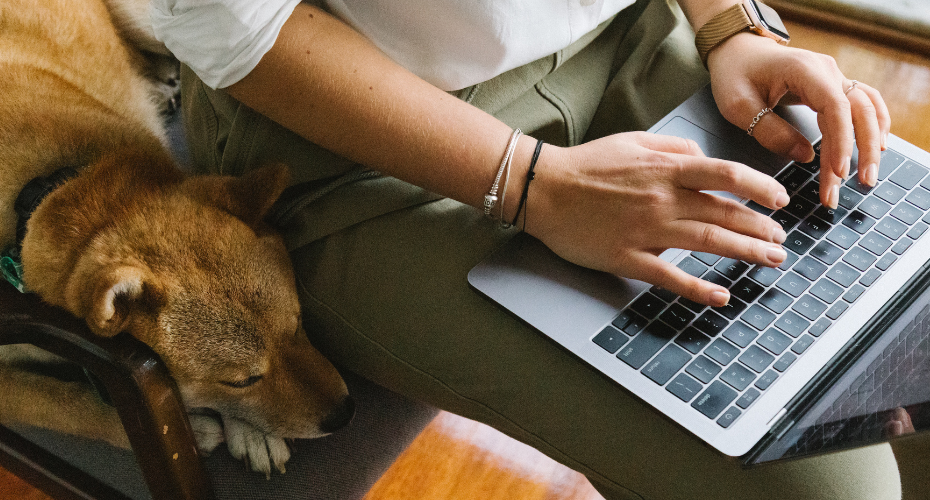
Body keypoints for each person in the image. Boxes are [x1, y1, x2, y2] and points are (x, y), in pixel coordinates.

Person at [151, 0, 904, 498]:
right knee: (835, 486)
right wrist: (536, 187)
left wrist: (729, 25)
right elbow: (234, 20)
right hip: (362, 139)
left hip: (624, 27)